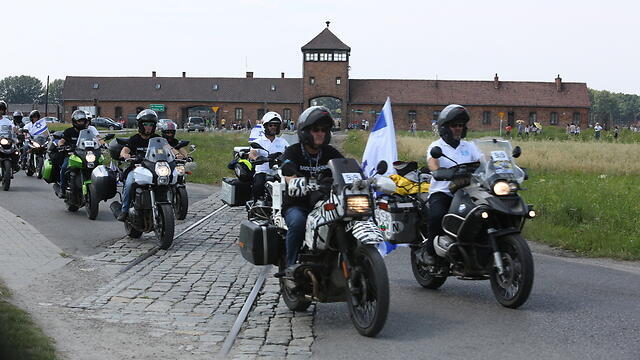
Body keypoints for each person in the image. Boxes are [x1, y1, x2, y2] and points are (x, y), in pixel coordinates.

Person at [281, 106, 343, 266]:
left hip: (327, 205)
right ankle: (291, 266)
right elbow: (288, 174)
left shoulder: (331, 153)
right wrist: (296, 181)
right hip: (298, 205)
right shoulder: (293, 152)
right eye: (316, 130)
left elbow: (346, 169)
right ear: (305, 131)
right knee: (298, 223)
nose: (321, 133)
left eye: (324, 130)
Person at [422, 104, 482, 265]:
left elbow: (483, 160)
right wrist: (438, 171)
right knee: (437, 216)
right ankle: (430, 252)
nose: (458, 129)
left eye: (461, 125)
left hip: (468, 192)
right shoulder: (437, 146)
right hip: (443, 192)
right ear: (445, 127)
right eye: (454, 125)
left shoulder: (469, 146)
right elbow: (432, 162)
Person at [115, 109, 161, 221]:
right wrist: (125, 155)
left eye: (151, 124)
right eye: (145, 124)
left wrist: (176, 155)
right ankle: (124, 210)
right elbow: (125, 150)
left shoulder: (157, 139)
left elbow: (167, 149)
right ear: (140, 125)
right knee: (130, 183)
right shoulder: (135, 139)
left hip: (153, 169)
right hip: (137, 169)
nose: (148, 127)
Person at [248, 112, 289, 201]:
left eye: (276, 125)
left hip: (279, 172)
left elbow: (290, 152)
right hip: (263, 172)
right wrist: (257, 158)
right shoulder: (258, 141)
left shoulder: (282, 141)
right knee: (258, 185)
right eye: (271, 125)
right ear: (266, 126)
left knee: (290, 185)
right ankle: (256, 205)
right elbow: (252, 153)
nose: (273, 127)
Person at [55, 110, 90, 197]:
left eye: (83, 121)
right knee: (64, 167)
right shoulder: (69, 131)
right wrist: (61, 145)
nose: (81, 123)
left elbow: (94, 140)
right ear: (74, 121)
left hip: (85, 155)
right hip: (71, 155)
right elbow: (62, 141)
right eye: (79, 121)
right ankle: (62, 189)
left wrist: (101, 145)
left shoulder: (87, 132)